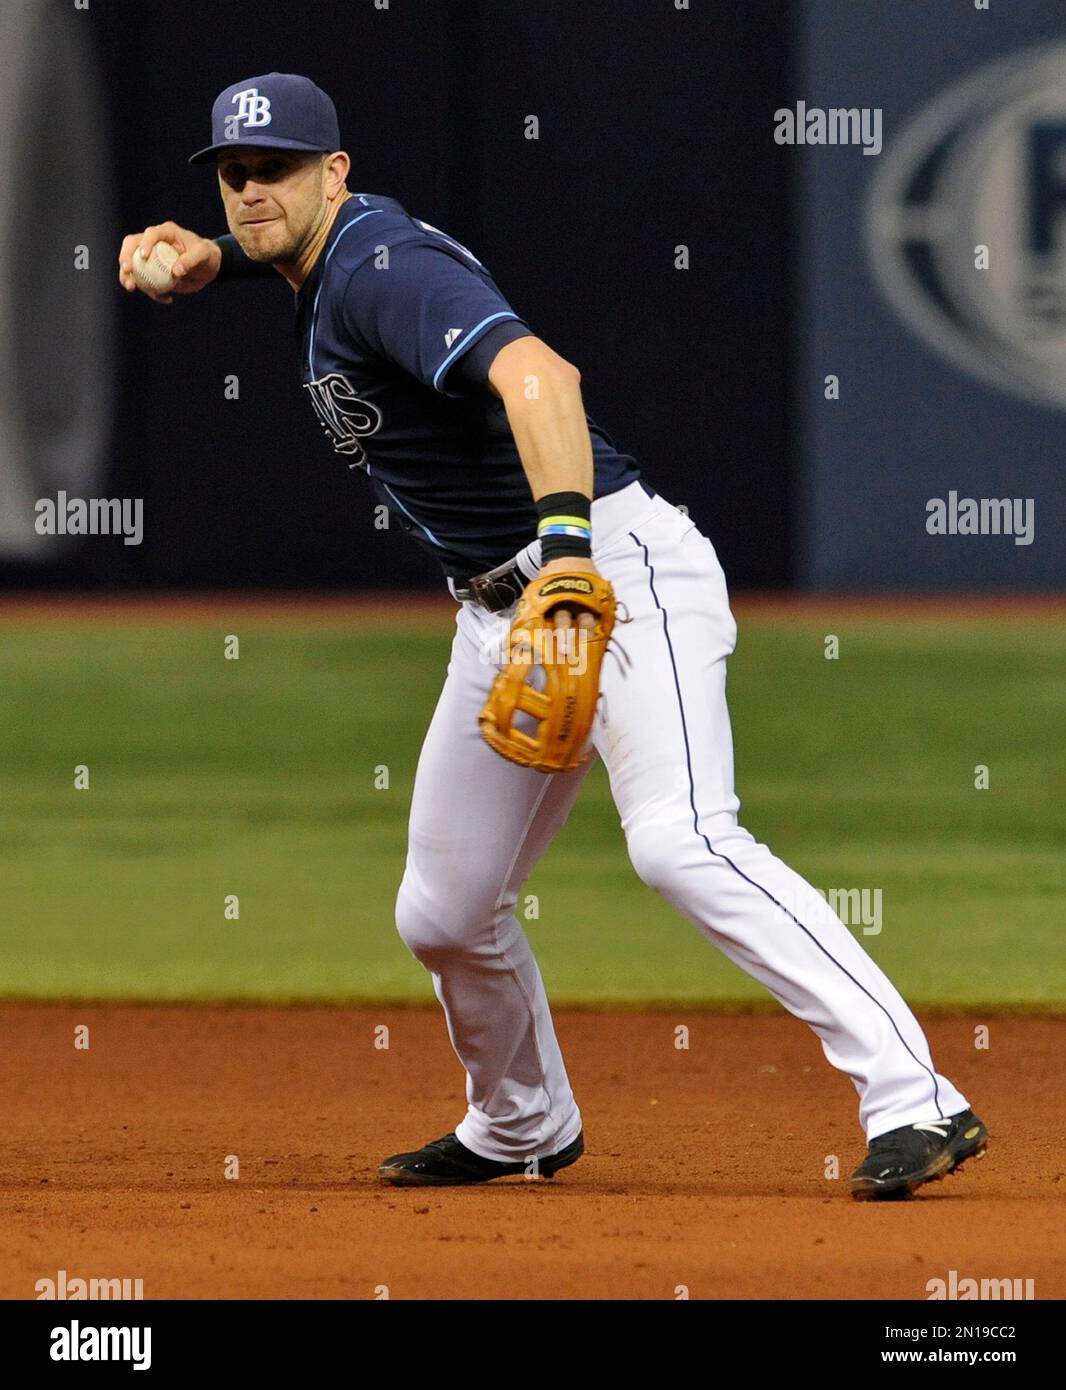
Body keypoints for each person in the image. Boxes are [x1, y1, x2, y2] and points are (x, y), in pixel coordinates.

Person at [119, 73, 988, 1200]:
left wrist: (569, 557)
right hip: (499, 609)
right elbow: (287, 246)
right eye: (234, 175)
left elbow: (540, 375)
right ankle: (521, 1121)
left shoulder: (384, 273)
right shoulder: (331, 254)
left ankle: (916, 1096)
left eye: (277, 169)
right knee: (443, 909)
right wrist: (211, 258)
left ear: (336, 171)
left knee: (679, 841)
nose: (250, 191)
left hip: (612, 569)